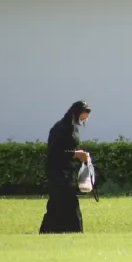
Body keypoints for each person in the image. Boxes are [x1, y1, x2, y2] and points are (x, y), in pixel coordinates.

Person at [39, 100, 92, 234]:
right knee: (68, 201)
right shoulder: (59, 128)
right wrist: (75, 154)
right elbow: (54, 152)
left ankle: (49, 231)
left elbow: (70, 149)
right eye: (83, 116)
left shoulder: (73, 128)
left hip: (67, 171)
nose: (84, 120)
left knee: (56, 204)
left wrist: (81, 156)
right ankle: (74, 231)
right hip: (56, 171)